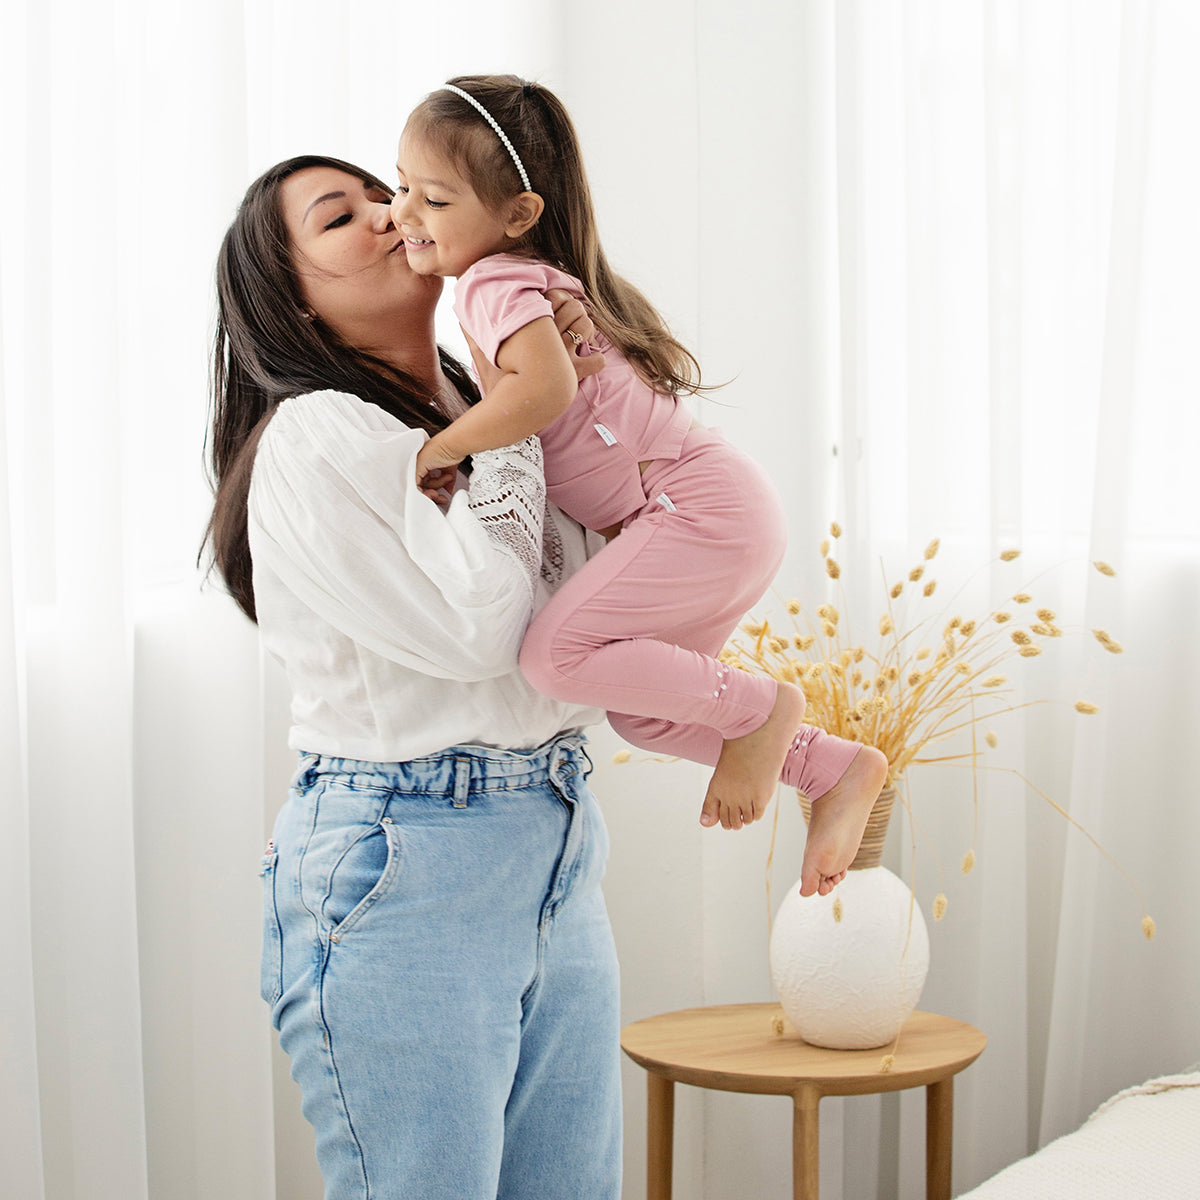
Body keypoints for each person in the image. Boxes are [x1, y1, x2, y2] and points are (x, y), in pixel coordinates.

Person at [204, 154, 623, 1200]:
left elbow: (592, 617)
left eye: (387, 194)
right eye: (342, 216)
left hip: (555, 834)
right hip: (405, 855)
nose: (392, 216)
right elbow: (483, 629)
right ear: (288, 297)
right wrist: (524, 417)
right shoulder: (319, 436)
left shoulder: (482, 400)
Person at [391, 74, 887, 892]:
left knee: (555, 657)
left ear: (516, 215)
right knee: (646, 709)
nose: (405, 211)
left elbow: (542, 393)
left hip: (697, 510)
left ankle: (765, 711)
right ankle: (831, 768)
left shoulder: (491, 282)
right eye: (402, 185)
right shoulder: (526, 277)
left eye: (434, 200)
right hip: (713, 512)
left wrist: (437, 449)